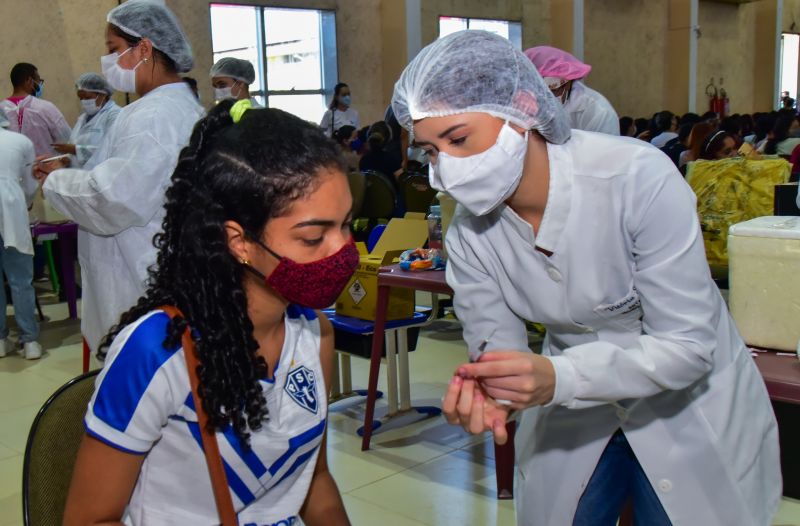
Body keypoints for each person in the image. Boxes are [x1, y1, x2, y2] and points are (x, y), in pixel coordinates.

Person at [393, 30, 780, 526]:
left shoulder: (635, 178)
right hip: (574, 407)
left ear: (524, 108)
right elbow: (498, 353)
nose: (446, 167)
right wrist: (492, 392)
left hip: (686, 405)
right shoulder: (470, 235)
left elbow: (686, 346)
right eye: (430, 151)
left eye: (459, 138)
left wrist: (560, 376)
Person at [63, 99, 353, 525]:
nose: (342, 250)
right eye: (313, 238)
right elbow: (88, 520)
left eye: (346, 224)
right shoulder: (155, 353)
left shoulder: (315, 335)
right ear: (239, 241)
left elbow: (315, 481)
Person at [33, 0, 204, 355]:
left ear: (144, 48)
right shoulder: (185, 108)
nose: (107, 60)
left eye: (113, 49)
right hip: (170, 273)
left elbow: (112, 199)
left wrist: (57, 179)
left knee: (143, 395)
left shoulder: (151, 116)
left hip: (139, 281)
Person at [0, 112, 42, 360]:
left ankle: (1, 339)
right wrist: (25, 202)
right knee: (20, 281)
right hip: (12, 209)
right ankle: (30, 342)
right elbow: (29, 184)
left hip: (12, 207)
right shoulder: (21, 141)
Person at [524, 46, 619, 135]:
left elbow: (605, 151)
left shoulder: (598, 111)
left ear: (569, 80)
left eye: (553, 86)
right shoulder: (525, 103)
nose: (545, 94)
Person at [0, 62, 71, 157]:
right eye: (39, 81)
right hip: (48, 169)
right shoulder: (45, 108)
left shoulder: (2, 111)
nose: (40, 85)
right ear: (29, 80)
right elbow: (67, 140)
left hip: (13, 169)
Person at [52, 73, 121, 168]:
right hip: (79, 175)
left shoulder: (115, 114)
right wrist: (67, 158)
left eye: (87, 98)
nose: (83, 101)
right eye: (80, 98)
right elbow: (73, 142)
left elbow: (111, 149)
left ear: (103, 94)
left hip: (101, 174)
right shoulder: (83, 118)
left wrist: (75, 150)